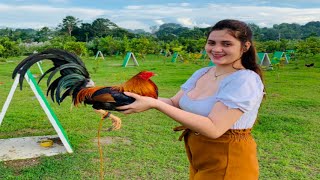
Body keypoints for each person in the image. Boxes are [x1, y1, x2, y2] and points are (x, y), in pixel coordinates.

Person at [97, 19, 265, 179]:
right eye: (212, 43)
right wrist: (131, 97)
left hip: (228, 156)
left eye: (226, 44)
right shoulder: (203, 73)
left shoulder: (244, 79)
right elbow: (174, 103)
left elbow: (214, 129)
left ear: (245, 46)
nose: (216, 49)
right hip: (199, 153)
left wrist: (154, 104)